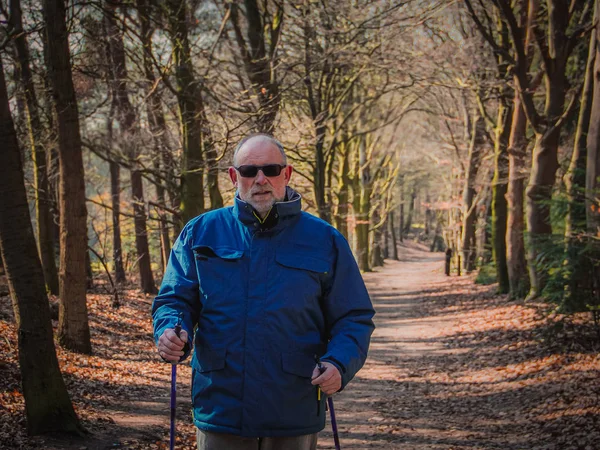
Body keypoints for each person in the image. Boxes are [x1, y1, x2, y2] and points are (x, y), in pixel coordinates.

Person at [152, 134, 375, 450]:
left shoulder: (325, 240)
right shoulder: (200, 233)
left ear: (286, 174)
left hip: (294, 407)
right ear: (234, 177)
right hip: (221, 407)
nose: (260, 179)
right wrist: (171, 330)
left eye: (271, 169)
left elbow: (354, 317)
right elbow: (175, 299)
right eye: (249, 171)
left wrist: (339, 363)